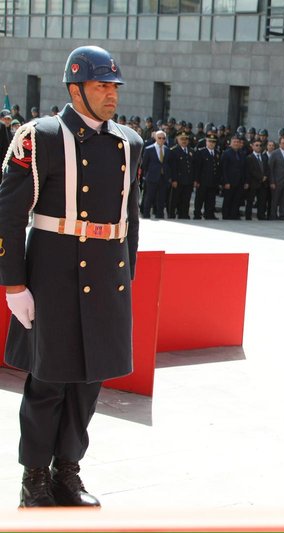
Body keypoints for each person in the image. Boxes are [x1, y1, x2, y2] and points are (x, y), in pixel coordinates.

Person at [0, 45, 142, 508]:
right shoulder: (38, 137)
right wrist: (13, 283)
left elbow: (130, 218)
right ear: (75, 87)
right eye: (102, 86)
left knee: (88, 384)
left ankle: (68, 472)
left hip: (107, 277)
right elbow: (6, 213)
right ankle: (35, 478)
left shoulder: (128, 143)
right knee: (48, 383)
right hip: (54, 275)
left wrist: (129, 275)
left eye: (114, 86)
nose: (111, 95)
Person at [140, 130, 170, 218]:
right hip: (151, 177)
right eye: (159, 138)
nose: (161, 140)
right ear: (155, 138)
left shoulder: (167, 150)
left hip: (163, 177)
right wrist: (146, 175)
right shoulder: (149, 149)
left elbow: (168, 164)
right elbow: (144, 164)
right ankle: (146, 214)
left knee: (161, 198)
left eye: (163, 138)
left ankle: (159, 214)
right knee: (149, 197)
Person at [166, 131, 195, 219]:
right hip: (178, 179)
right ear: (177, 140)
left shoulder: (191, 151)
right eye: (182, 139)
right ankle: (171, 214)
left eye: (186, 139)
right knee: (174, 199)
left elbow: (193, 167)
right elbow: (172, 167)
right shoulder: (174, 151)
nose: (184, 141)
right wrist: (174, 179)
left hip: (188, 179)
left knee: (186, 199)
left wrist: (193, 179)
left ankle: (184, 214)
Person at [192, 131, 221, 220]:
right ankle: (197, 214)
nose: (211, 143)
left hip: (213, 181)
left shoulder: (217, 153)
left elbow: (218, 168)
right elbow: (197, 168)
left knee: (211, 199)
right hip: (202, 181)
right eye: (209, 141)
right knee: (200, 199)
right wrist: (196, 180)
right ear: (206, 142)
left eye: (213, 142)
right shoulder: (201, 152)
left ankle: (209, 214)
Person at [221, 134, 247, 220]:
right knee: (228, 199)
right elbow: (223, 169)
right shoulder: (226, 153)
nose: (236, 143)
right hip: (229, 181)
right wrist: (225, 182)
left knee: (237, 199)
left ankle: (234, 214)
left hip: (239, 181)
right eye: (234, 142)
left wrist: (245, 181)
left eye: (238, 142)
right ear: (231, 143)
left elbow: (244, 169)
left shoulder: (242, 154)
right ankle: (226, 215)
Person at [268, 136, 284, 220]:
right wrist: (272, 182)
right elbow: (270, 169)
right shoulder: (275, 153)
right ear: (279, 144)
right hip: (277, 181)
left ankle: (282, 215)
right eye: (283, 143)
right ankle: (273, 215)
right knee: (275, 200)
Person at [244, 139, 270, 220]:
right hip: (253, 183)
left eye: (260, 145)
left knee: (262, 201)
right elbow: (250, 170)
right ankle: (248, 216)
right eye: (257, 145)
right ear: (252, 146)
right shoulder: (249, 157)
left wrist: (265, 176)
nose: (259, 147)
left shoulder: (264, 157)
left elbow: (267, 168)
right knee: (250, 201)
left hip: (263, 183)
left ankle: (261, 215)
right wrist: (260, 177)